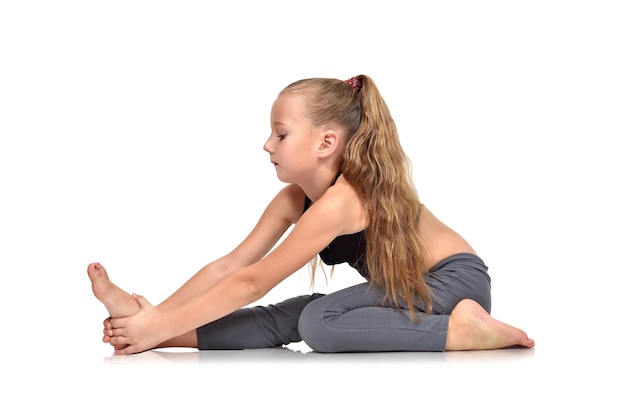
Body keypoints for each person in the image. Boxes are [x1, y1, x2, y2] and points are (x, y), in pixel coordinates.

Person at [88, 75, 535, 355]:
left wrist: (159, 322)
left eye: (280, 134)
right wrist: (157, 318)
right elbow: (230, 266)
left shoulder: (344, 201)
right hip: (405, 293)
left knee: (319, 323)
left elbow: (252, 282)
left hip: (455, 284)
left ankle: (461, 333)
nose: (267, 145)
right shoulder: (293, 200)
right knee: (296, 315)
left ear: (325, 144)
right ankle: (147, 331)